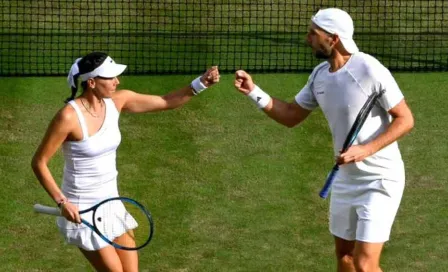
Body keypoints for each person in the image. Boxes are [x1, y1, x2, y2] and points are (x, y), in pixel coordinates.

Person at [234, 8, 414, 272]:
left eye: (313, 33)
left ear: (334, 38)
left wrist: (365, 149)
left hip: (380, 179)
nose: (307, 39)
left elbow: (405, 119)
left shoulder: (368, 68)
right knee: (345, 258)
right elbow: (291, 115)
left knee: (365, 264)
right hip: (346, 179)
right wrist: (254, 92)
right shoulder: (319, 75)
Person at [31, 51, 220, 271]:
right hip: (82, 209)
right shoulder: (69, 117)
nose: (117, 81)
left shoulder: (119, 101)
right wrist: (62, 202)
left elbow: (165, 101)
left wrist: (201, 83)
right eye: (110, 78)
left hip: (111, 203)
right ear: (92, 82)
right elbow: (39, 162)